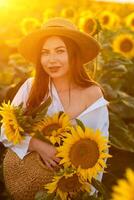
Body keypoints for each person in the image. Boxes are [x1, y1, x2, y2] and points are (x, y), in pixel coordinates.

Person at [0, 17, 109, 199]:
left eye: (60, 51)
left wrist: (86, 194)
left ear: (73, 54)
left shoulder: (92, 94)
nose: (51, 60)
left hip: (73, 186)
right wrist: (36, 144)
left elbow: (99, 154)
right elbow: (4, 131)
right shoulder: (32, 87)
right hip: (32, 183)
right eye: (45, 52)